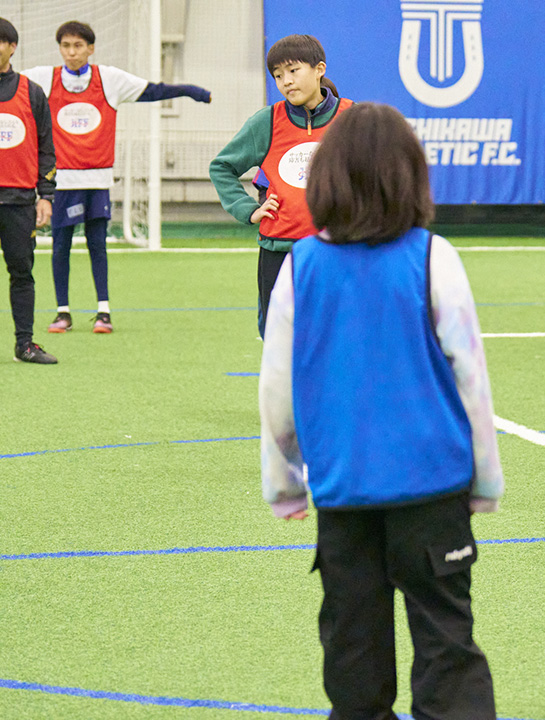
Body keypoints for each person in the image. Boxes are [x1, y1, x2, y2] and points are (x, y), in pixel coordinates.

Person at [259, 102, 501, 720]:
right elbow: (470, 377)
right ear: (410, 177)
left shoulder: (300, 267)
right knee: (447, 646)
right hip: (432, 489)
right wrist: (485, 480)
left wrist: (284, 485)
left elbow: (277, 389)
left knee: (354, 654)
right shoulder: (433, 257)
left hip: (344, 493)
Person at [22, 20, 211, 335]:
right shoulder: (43, 79)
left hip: (98, 180)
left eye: (78, 46)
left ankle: (103, 311)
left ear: (91, 49)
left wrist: (189, 91)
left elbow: (153, 90)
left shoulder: (108, 79)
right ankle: (62, 311)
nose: (72, 52)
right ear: (60, 49)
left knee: (98, 244)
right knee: (60, 246)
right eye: (66, 46)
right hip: (62, 182)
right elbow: (10, 85)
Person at [210, 34, 352, 339]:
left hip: (338, 249)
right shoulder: (266, 121)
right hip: (278, 248)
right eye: (277, 75)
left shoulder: (351, 118)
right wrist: (248, 209)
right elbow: (221, 167)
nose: (286, 81)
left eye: (293, 70)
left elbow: (377, 174)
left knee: (338, 337)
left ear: (319, 69)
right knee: (278, 339)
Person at [0, 17, 58, 364]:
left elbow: (46, 148)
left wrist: (46, 195)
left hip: (20, 201)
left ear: (11, 47)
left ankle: (25, 344)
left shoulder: (31, 92)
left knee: (21, 272)